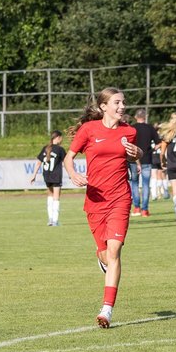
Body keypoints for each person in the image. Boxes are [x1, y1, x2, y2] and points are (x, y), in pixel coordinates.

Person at [63, 88, 139, 328]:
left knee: (115, 252)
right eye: (117, 102)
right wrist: (73, 173)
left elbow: (133, 156)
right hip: (95, 201)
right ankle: (102, 259)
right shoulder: (89, 130)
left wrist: (139, 154)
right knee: (106, 254)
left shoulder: (130, 131)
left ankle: (106, 309)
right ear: (104, 106)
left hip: (120, 198)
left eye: (123, 102)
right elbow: (68, 157)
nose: (122, 106)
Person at [29, 130, 66, 225]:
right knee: (56, 198)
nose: (62, 140)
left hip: (47, 176)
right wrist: (71, 174)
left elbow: (38, 162)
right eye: (61, 138)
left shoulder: (45, 148)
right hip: (56, 176)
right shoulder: (60, 149)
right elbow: (66, 163)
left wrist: (33, 175)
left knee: (50, 196)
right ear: (58, 138)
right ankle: (55, 221)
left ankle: (50, 219)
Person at [128, 108, 158, 217]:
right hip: (147, 159)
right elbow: (158, 143)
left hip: (133, 161)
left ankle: (136, 208)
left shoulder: (132, 128)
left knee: (134, 184)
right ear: (145, 117)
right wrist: (151, 150)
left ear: (136, 117)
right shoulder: (150, 128)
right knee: (146, 185)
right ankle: (145, 210)